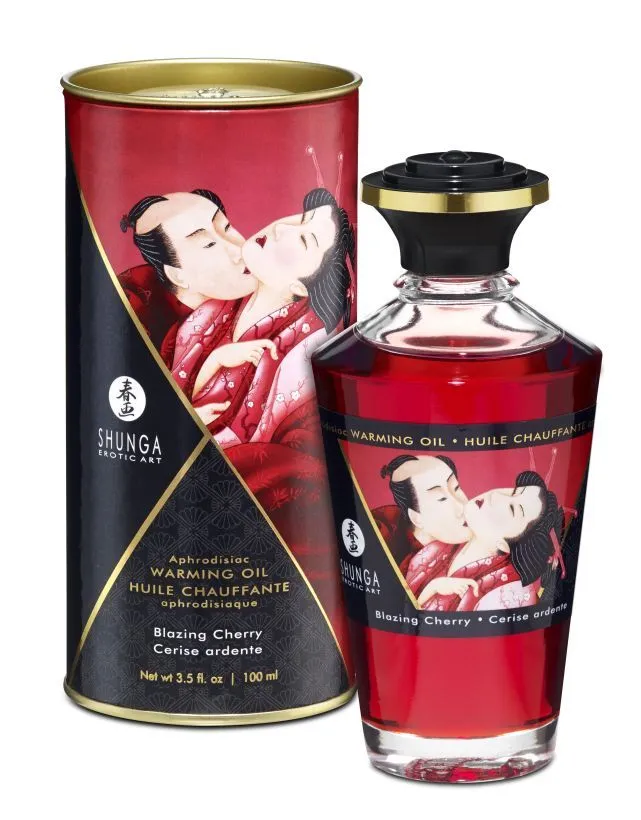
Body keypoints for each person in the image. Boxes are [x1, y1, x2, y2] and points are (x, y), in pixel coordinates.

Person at [173, 187, 355, 441]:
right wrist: (216, 359)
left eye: (304, 240)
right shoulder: (213, 310)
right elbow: (169, 394)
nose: (281, 228)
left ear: (301, 287)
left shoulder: (297, 352)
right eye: (301, 218)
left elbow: (257, 442)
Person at [119, 190, 252, 365]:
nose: (239, 250)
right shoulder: (140, 317)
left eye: (227, 228)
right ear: (177, 275)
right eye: (209, 244)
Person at [417, 470, 565, 612]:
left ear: (505, 544)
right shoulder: (442, 545)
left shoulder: (507, 594)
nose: (496, 495)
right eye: (514, 491)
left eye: (513, 509)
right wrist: (433, 587)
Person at [372, 455, 473, 597]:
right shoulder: (383, 536)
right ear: (416, 518)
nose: (461, 506)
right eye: (441, 498)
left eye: (456, 488)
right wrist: (432, 588)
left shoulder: (481, 534)